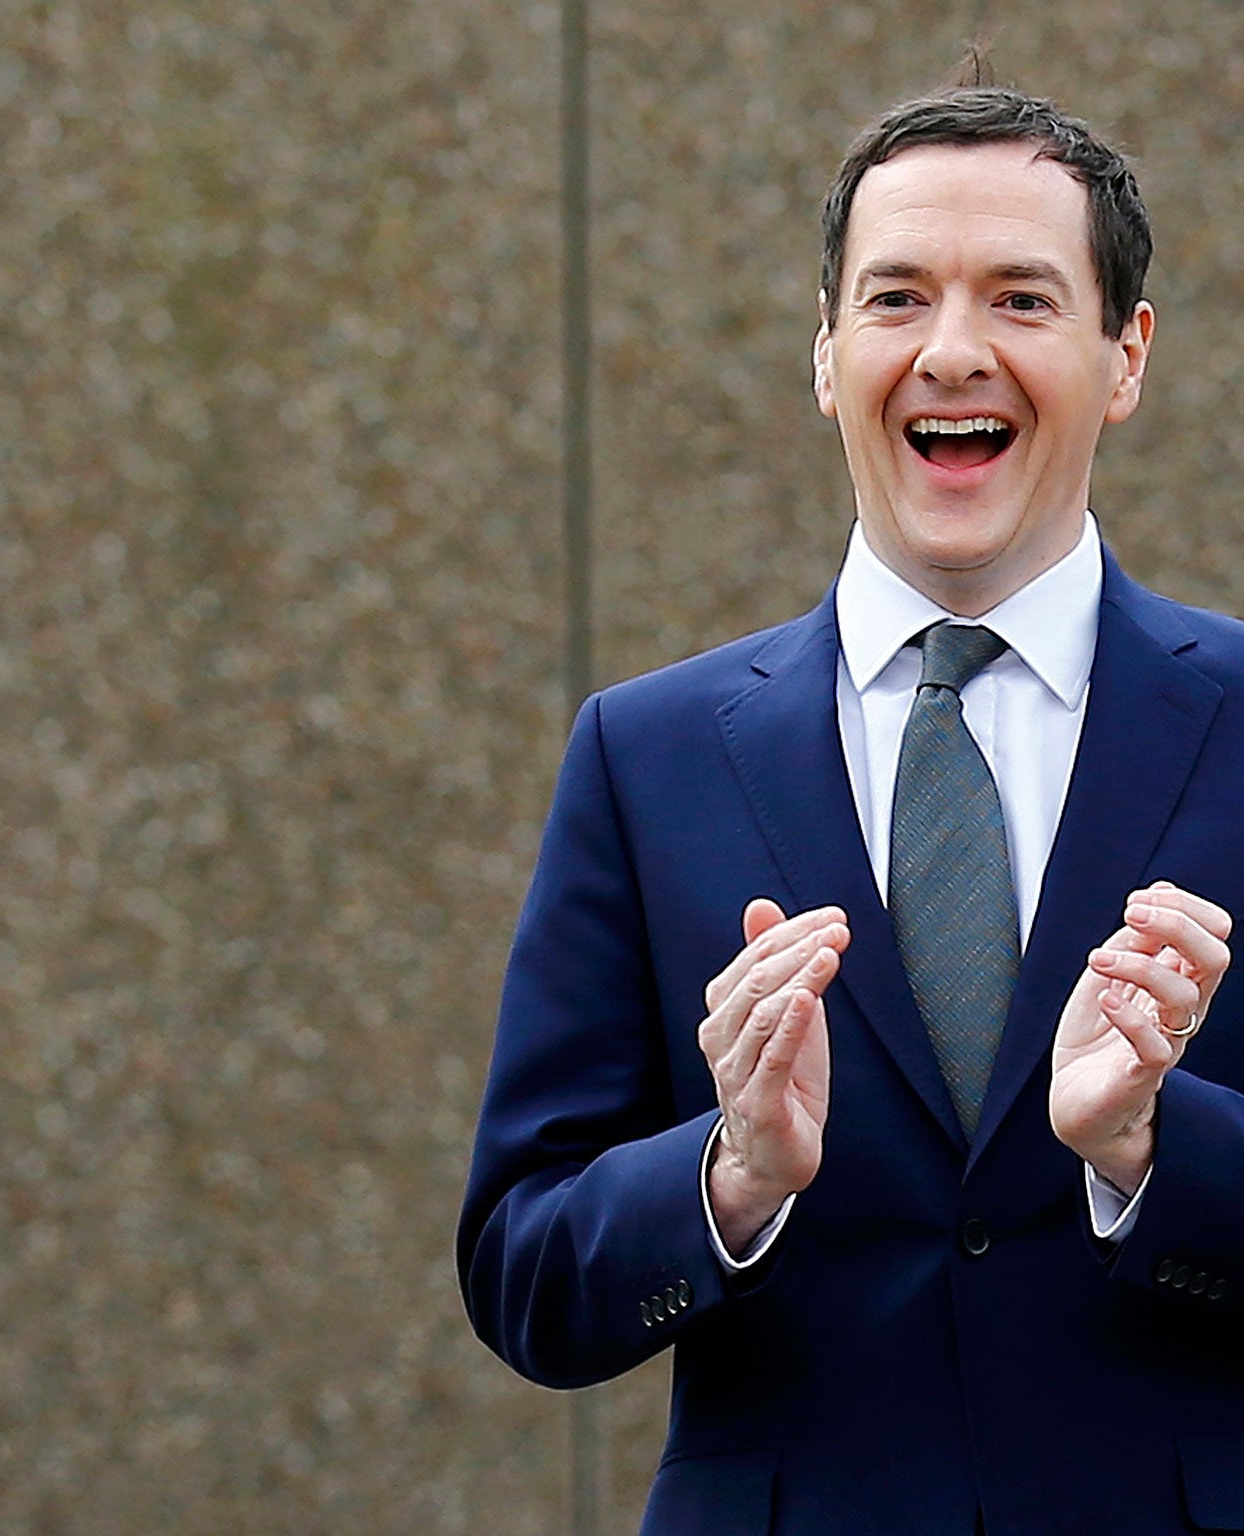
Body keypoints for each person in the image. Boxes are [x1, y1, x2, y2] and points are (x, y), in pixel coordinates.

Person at [457, 85, 1244, 1536]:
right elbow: (523, 1272)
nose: (953, 350)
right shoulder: (649, 753)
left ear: (1124, 357)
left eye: (1021, 296)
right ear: (827, 355)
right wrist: (728, 1175)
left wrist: (1151, 1147)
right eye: (895, 299)